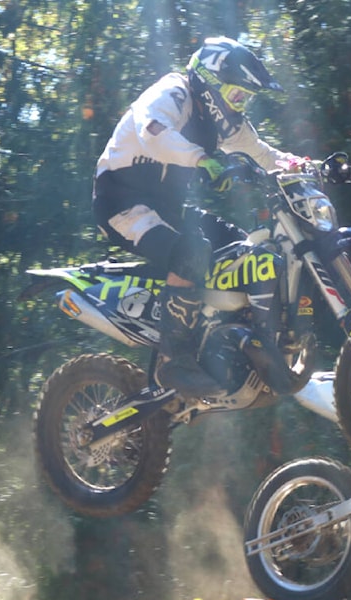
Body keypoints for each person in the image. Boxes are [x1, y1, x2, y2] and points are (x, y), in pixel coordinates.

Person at [93, 36, 307, 398]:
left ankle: (233, 338)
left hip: (169, 212)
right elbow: (152, 133)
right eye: (237, 95)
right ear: (211, 82)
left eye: (246, 98)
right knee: (193, 251)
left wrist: (305, 168)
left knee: (242, 249)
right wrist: (202, 159)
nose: (240, 105)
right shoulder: (173, 92)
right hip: (124, 204)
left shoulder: (219, 122)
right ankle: (173, 361)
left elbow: (264, 153)